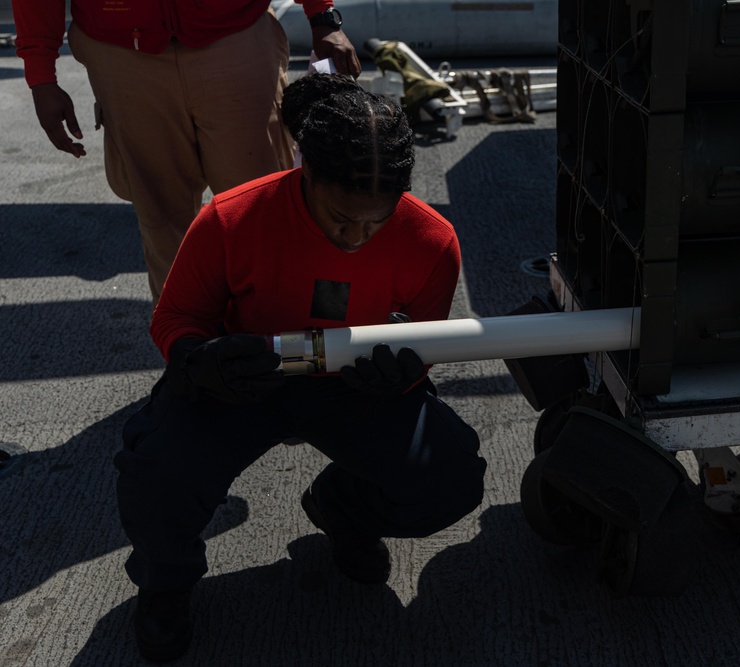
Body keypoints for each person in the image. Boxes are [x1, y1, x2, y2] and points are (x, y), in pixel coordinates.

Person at [112, 72, 487, 663]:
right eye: (341, 217)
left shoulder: (431, 241)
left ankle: (343, 507)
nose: (357, 238)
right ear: (303, 172)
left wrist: (403, 377)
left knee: (450, 478)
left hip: (352, 387)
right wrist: (198, 360)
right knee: (155, 470)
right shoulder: (231, 219)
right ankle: (165, 582)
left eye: (376, 221)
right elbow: (176, 316)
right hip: (242, 376)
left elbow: (424, 340)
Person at [11, 0, 362, 305]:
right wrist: (41, 76)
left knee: (266, 211)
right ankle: (186, 355)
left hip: (234, 33)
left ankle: (277, 347)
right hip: (122, 50)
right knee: (162, 220)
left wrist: (322, 15)